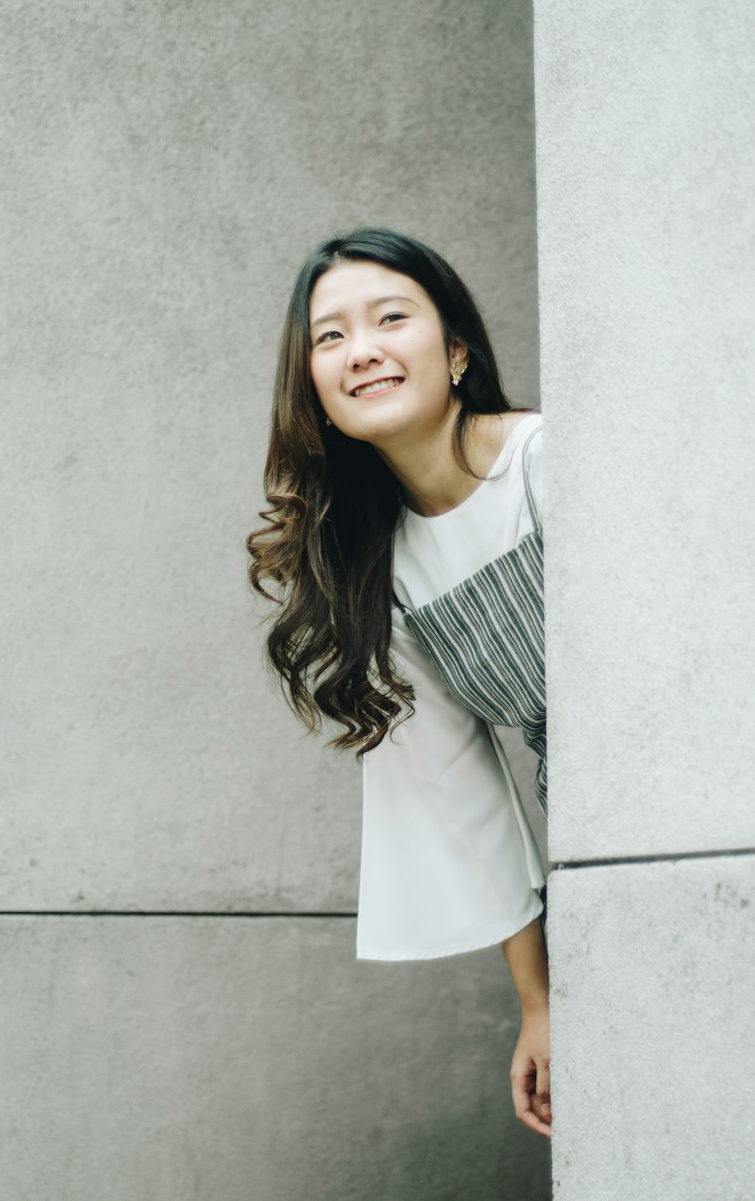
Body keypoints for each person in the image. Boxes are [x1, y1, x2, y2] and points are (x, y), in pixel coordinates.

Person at [247, 227, 551, 1138]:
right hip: (597, 851)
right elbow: (459, 798)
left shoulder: (550, 464)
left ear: (456, 350)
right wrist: (541, 1005)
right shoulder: (383, 574)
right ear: (313, 388)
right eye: (329, 336)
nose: (362, 349)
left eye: (390, 318)